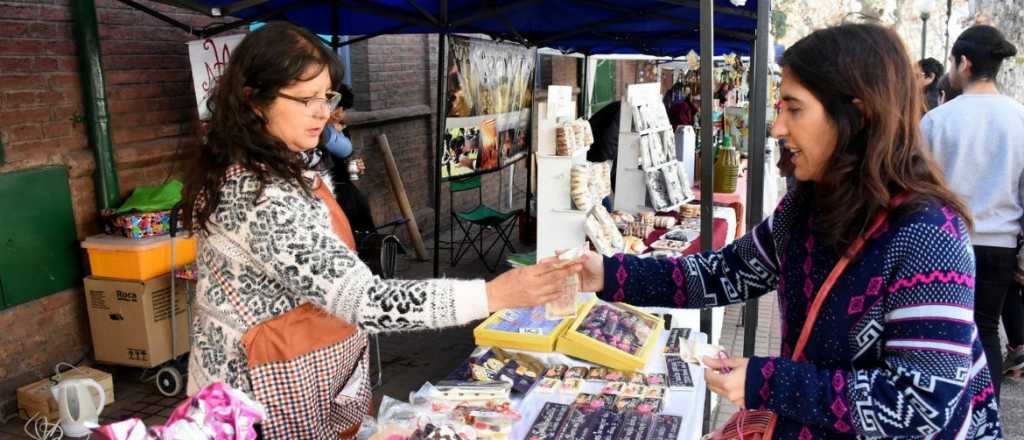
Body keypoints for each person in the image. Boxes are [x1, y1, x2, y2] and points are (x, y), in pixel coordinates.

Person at [575, 23, 1002, 438]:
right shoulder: (806, 207)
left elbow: (919, 407)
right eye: (780, 108)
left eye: (794, 109)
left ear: (857, 113)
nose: (778, 128)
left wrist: (767, 382)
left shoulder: (929, 235)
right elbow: (724, 273)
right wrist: (609, 274)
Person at [181, 21, 580, 410]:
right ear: (254, 100)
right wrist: (495, 294)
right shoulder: (258, 194)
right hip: (249, 402)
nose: (323, 113)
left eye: (328, 97)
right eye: (307, 99)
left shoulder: (280, 164)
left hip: (285, 373)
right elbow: (366, 300)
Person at [921, 24, 1023, 397]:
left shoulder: (937, 120)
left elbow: (919, 189)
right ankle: (983, 421)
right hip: (1000, 244)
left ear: (963, 63)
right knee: (986, 333)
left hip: (944, 240)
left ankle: (943, 413)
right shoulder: (1020, 118)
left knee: (940, 333)